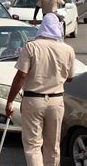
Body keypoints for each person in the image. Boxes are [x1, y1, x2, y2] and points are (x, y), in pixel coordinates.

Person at [5, 13, 75, 166]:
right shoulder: (68, 49)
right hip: (56, 101)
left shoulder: (31, 46)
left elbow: (22, 75)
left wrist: (10, 101)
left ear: (42, 27)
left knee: (33, 145)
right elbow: (70, 78)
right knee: (53, 145)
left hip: (33, 100)